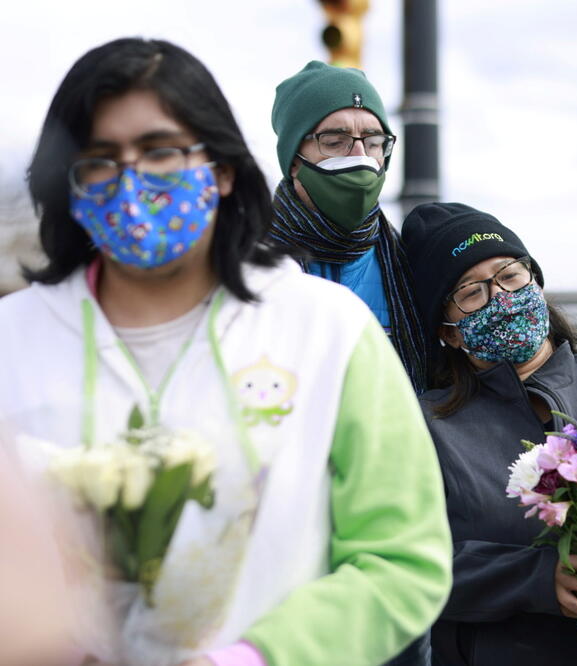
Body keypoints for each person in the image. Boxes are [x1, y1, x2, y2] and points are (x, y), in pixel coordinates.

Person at [0, 37, 451, 666]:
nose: (133, 181)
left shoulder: (329, 329)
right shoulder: (13, 339)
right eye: (100, 160)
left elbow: (401, 558)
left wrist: (251, 658)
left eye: (161, 151)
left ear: (222, 170)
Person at [267, 61, 577, 398]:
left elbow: (489, 352)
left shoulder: (404, 263)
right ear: (294, 159)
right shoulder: (252, 266)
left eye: (373, 141)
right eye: (335, 140)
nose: (358, 155)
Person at [400, 202, 577, 666]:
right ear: (449, 332)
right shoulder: (427, 426)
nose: (501, 297)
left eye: (510, 275)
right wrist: (535, 578)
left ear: (536, 282)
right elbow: (405, 563)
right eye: (471, 292)